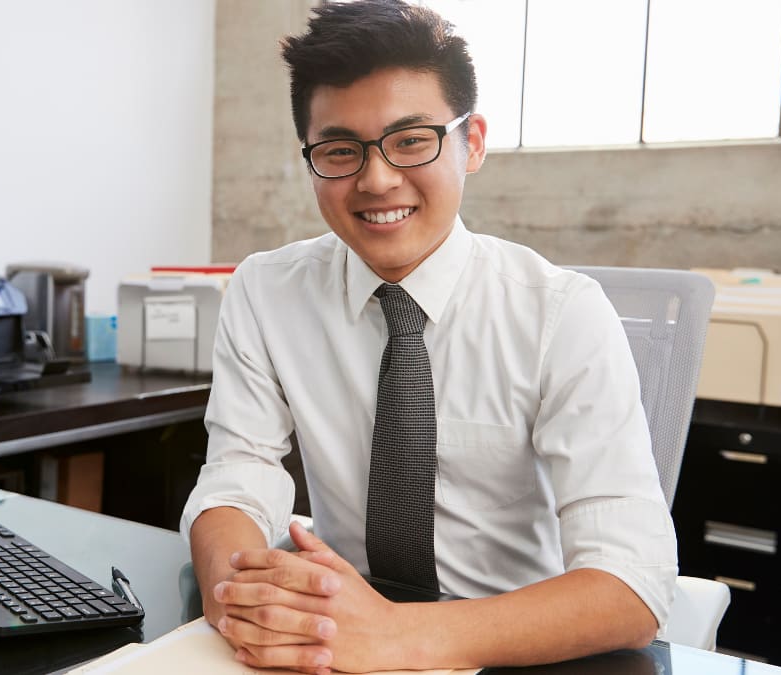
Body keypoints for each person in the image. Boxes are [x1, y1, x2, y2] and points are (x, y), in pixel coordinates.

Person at [181, 1, 677, 673]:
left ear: (471, 143)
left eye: (411, 140)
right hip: (341, 635)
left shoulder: (564, 314)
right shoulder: (266, 292)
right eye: (339, 150)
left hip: (513, 646)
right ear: (311, 158)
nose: (376, 178)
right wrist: (236, 594)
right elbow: (237, 478)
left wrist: (400, 633)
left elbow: (632, 584)